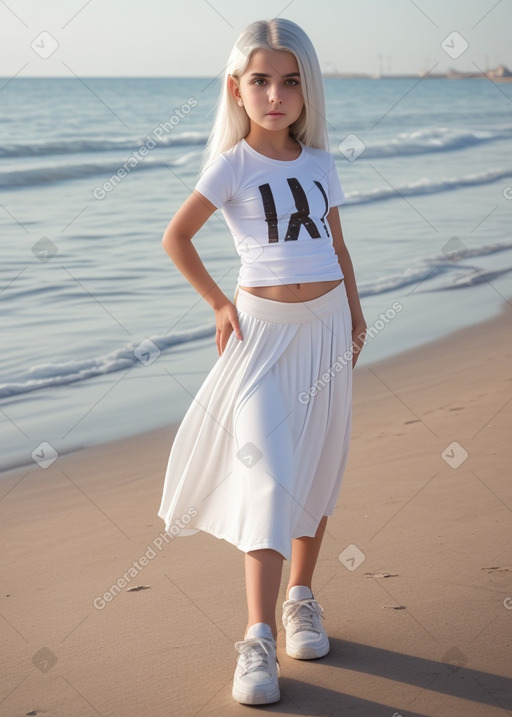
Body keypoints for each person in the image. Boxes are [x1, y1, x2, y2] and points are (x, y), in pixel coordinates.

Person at [157, 18, 366, 705]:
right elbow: (177, 237)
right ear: (236, 89)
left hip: (329, 328)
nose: (275, 94)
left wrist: (357, 313)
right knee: (271, 477)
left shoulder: (322, 162)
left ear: (308, 89)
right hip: (262, 337)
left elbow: (337, 248)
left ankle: (301, 598)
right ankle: (257, 640)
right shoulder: (233, 165)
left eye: (290, 80)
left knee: (317, 469)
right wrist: (219, 304)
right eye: (260, 80)